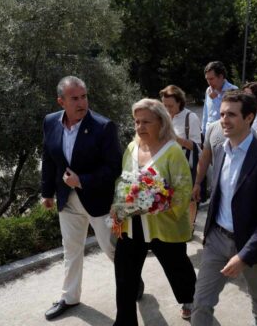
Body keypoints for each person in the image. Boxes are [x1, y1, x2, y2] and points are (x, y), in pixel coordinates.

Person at [192, 91, 257, 326]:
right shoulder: (221, 149)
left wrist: (245, 255)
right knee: (201, 303)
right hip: (216, 239)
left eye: (231, 114)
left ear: (249, 117)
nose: (224, 119)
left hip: (250, 244)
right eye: (222, 114)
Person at [41, 76, 122, 320]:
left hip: (98, 201)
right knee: (71, 248)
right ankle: (70, 297)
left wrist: (83, 181)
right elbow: (49, 159)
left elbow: (114, 168)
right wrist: (47, 192)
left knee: (111, 249)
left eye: (84, 96)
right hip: (67, 199)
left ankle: (131, 282)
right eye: (74, 98)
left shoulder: (103, 126)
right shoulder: (50, 122)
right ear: (61, 101)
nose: (81, 103)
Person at [113, 99, 196, 324]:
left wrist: (158, 205)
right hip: (131, 226)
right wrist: (119, 208)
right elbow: (124, 181)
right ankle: (124, 321)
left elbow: (182, 190)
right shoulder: (131, 148)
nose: (140, 127)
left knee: (179, 270)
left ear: (161, 121)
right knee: (124, 277)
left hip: (164, 227)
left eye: (146, 122)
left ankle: (193, 302)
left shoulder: (173, 151)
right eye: (136, 122)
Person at [160, 85, 203, 230]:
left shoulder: (191, 118)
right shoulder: (163, 117)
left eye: (170, 106)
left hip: (186, 166)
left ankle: (189, 227)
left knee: (189, 199)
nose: (167, 109)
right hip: (166, 165)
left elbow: (197, 147)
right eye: (164, 105)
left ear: (180, 102)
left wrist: (177, 139)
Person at [201, 61, 238, 133]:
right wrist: (203, 132)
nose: (209, 82)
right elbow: (205, 113)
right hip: (208, 133)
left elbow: (229, 114)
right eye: (207, 79)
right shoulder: (208, 90)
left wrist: (215, 99)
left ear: (221, 77)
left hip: (224, 134)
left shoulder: (233, 90)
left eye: (211, 79)